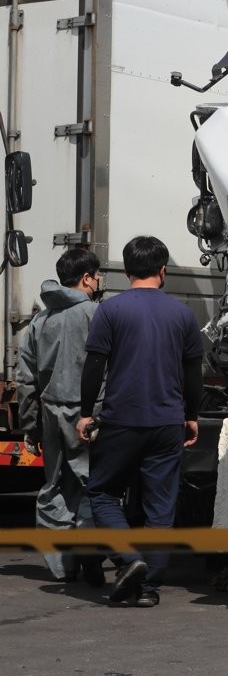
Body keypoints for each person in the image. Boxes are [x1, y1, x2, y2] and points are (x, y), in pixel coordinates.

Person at [76, 236, 204, 608]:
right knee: (160, 507)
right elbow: (192, 373)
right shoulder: (182, 314)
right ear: (163, 270)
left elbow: (95, 365)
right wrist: (191, 416)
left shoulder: (111, 310)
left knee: (101, 492)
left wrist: (86, 413)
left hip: (121, 420)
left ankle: (130, 560)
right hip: (167, 422)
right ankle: (148, 589)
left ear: (127, 270)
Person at [15, 248, 104, 585]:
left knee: (54, 486)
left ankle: (60, 566)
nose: (98, 282)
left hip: (50, 412)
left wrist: (30, 427)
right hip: (87, 414)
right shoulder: (96, 315)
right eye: (96, 276)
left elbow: (25, 380)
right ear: (86, 278)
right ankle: (90, 555)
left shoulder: (40, 320)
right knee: (91, 484)